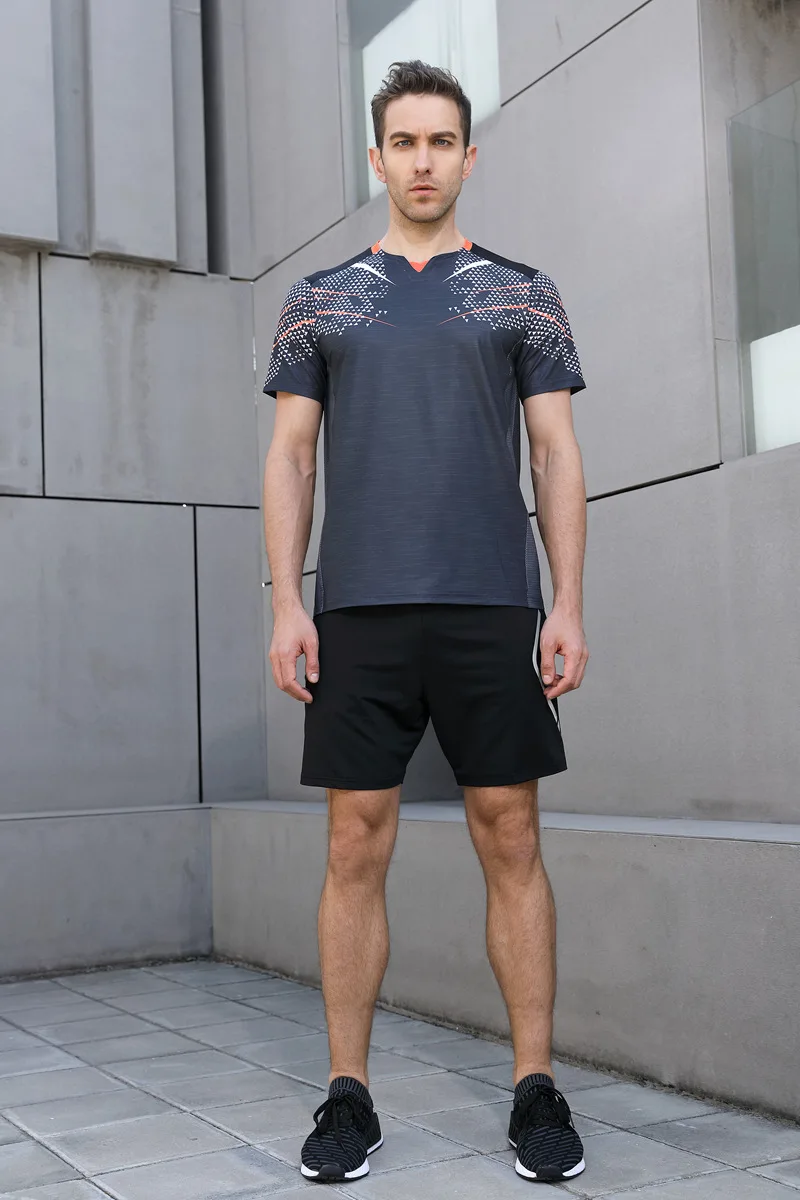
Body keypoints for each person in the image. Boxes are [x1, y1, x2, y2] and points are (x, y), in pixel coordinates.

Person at [262, 59, 590, 1185]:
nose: (421, 160)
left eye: (440, 141)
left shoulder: (521, 292)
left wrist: (567, 601)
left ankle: (535, 1090)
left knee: (512, 835)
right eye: (402, 141)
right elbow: (290, 457)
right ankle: (347, 1096)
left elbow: (554, 451)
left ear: (467, 156)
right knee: (354, 843)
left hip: (491, 600)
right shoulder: (319, 298)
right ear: (376, 157)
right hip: (357, 607)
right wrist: (287, 602)